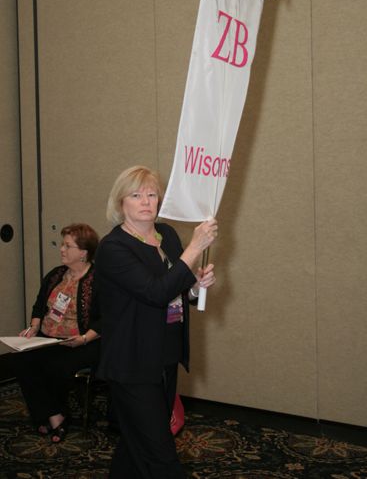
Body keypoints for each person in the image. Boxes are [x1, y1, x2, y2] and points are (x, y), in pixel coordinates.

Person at [95, 165, 218, 479]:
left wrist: (194, 287)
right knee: (161, 455)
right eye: (136, 195)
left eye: (151, 194)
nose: (146, 201)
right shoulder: (114, 247)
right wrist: (195, 248)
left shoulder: (169, 236)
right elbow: (155, 292)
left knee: (137, 446)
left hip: (164, 355)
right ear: (121, 202)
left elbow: (175, 289)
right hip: (131, 362)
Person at [11, 223, 101, 443]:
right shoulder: (55, 275)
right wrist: (33, 327)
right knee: (21, 361)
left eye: (67, 245)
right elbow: (39, 306)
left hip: (84, 342)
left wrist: (83, 339)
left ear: (83, 252)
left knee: (55, 366)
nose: (61, 249)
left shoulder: (98, 280)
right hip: (48, 339)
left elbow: (107, 320)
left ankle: (49, 416)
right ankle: (54, 415)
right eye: (62, 244)